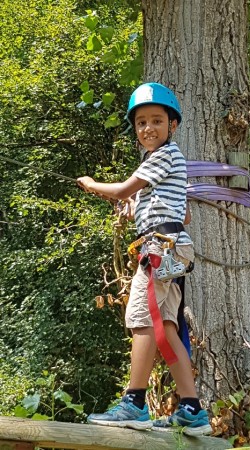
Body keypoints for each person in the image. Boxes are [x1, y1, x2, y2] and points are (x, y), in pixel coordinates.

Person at [77, 82, 212, 436]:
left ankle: (133, 403)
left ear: (173, 125)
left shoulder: (164, 155)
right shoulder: (161, 163)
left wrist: (93, 185)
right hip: (171, 247)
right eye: (141, 123)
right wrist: (135, 208)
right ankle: (191, 409)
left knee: (141, 318)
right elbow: (178, 214)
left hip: (161, 249)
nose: (148, 128)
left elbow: (123, 189)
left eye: (156, 120)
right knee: (164, 328)